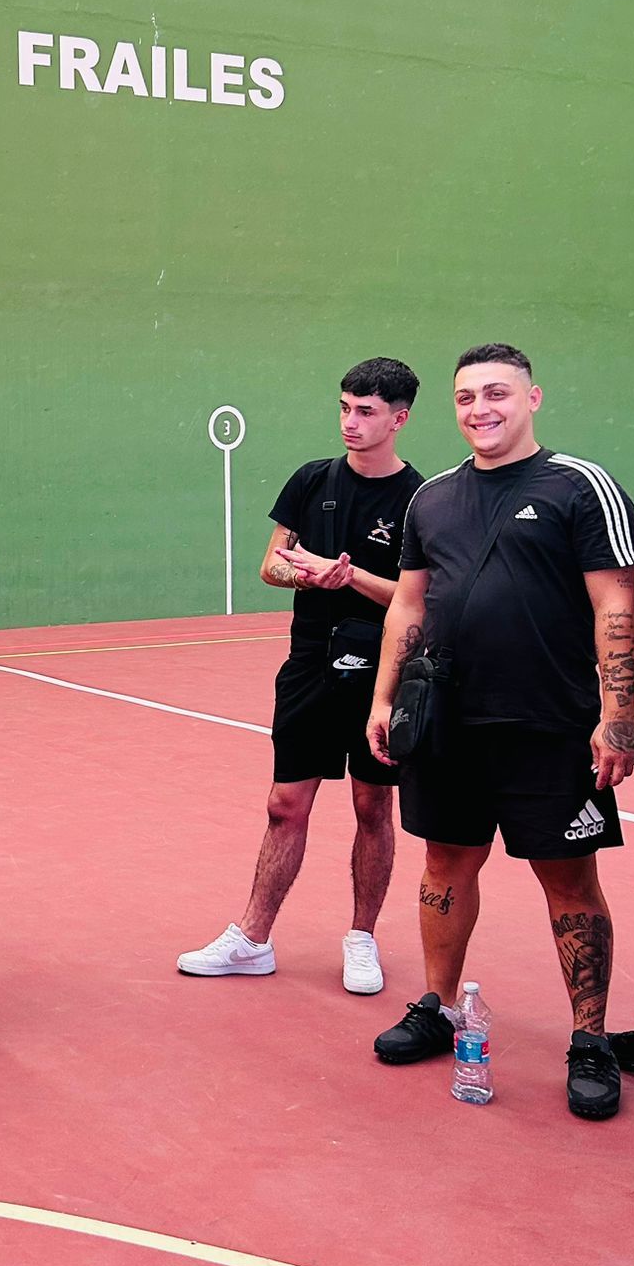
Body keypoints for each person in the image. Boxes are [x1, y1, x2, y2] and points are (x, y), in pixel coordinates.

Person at [366, 343, 634, 1120]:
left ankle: (589, 1041)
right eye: (465, 398)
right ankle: (439, 1005)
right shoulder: (433, 500)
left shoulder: (581, 488)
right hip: (447, 724)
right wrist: (385, 699)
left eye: (496, 394)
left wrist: (617, 716)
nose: (479, 410)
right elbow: (409, 605)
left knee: (569, 880)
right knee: (445, 862)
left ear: (533, 399)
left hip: (549, 726)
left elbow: (615, 606)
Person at [179, 359, 422, 994]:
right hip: (310, 662)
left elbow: (416, 597)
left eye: (366, 411)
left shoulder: (423, 499)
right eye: (345, 407)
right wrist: (308, 573)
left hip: (382, 672)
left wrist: (350, 578)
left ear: (399, 418)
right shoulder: (311, 481)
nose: (351, 422)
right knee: (285, 804)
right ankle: (253, 939)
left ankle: (362, 939)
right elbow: (271, 567)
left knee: (373, 804)